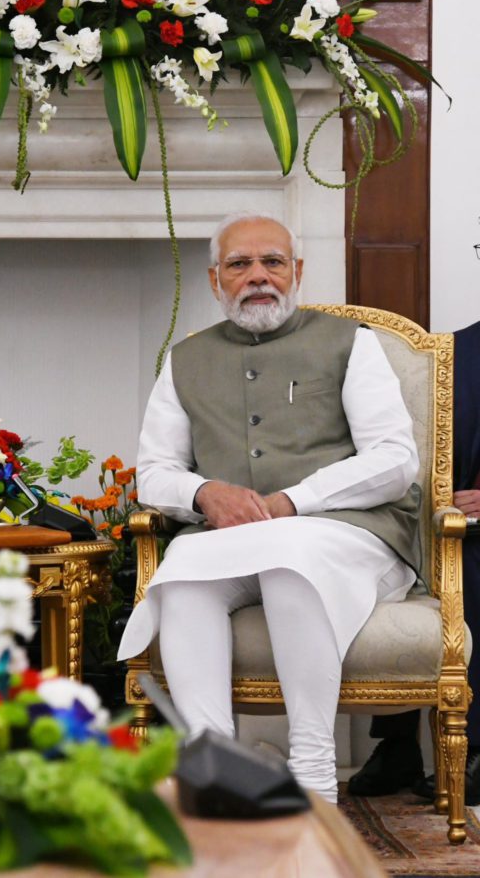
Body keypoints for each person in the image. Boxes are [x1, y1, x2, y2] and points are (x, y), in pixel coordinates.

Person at [117, 212, 420, 802]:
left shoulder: (348, 342)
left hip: (355, 535)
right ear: (215, 281)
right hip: (239, 541)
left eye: (273, 262)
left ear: (297, 271)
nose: (258, 277)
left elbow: (394, 459)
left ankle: (313, 772)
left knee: (289, 555)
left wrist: (293, 501)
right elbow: (153, 473)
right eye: (240, 265)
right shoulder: (185, 360)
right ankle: (217, 773)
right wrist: (204, 494)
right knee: (181, 576)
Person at [349, 319, 480, 802]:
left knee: (468, 559)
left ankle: (475, 747)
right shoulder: (451, 350)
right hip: (440, 517)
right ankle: (398, 744)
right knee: (404, 550)